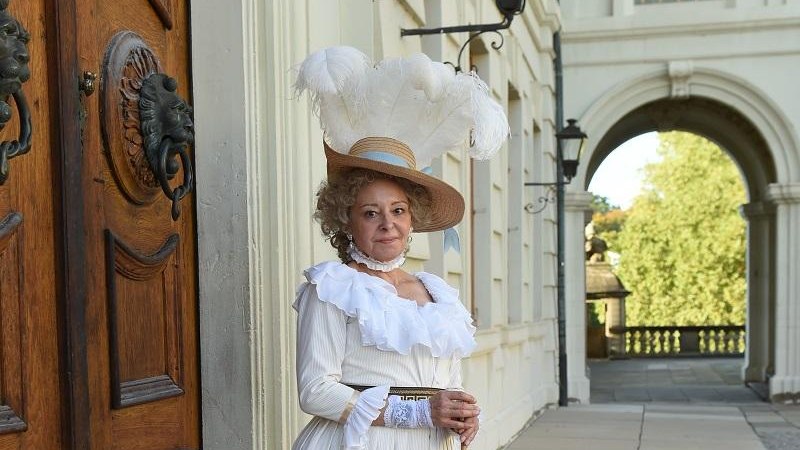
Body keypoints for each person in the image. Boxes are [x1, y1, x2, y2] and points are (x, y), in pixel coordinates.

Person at [292, 46, 508, 450]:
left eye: (398, 210)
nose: (387, 223)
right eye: (371, 213)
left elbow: (445, 381)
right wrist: (418, 412)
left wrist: (460, 412)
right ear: (346, 219)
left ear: (412, 219)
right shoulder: (331, 289)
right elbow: (314, 390)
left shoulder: (436, 292)